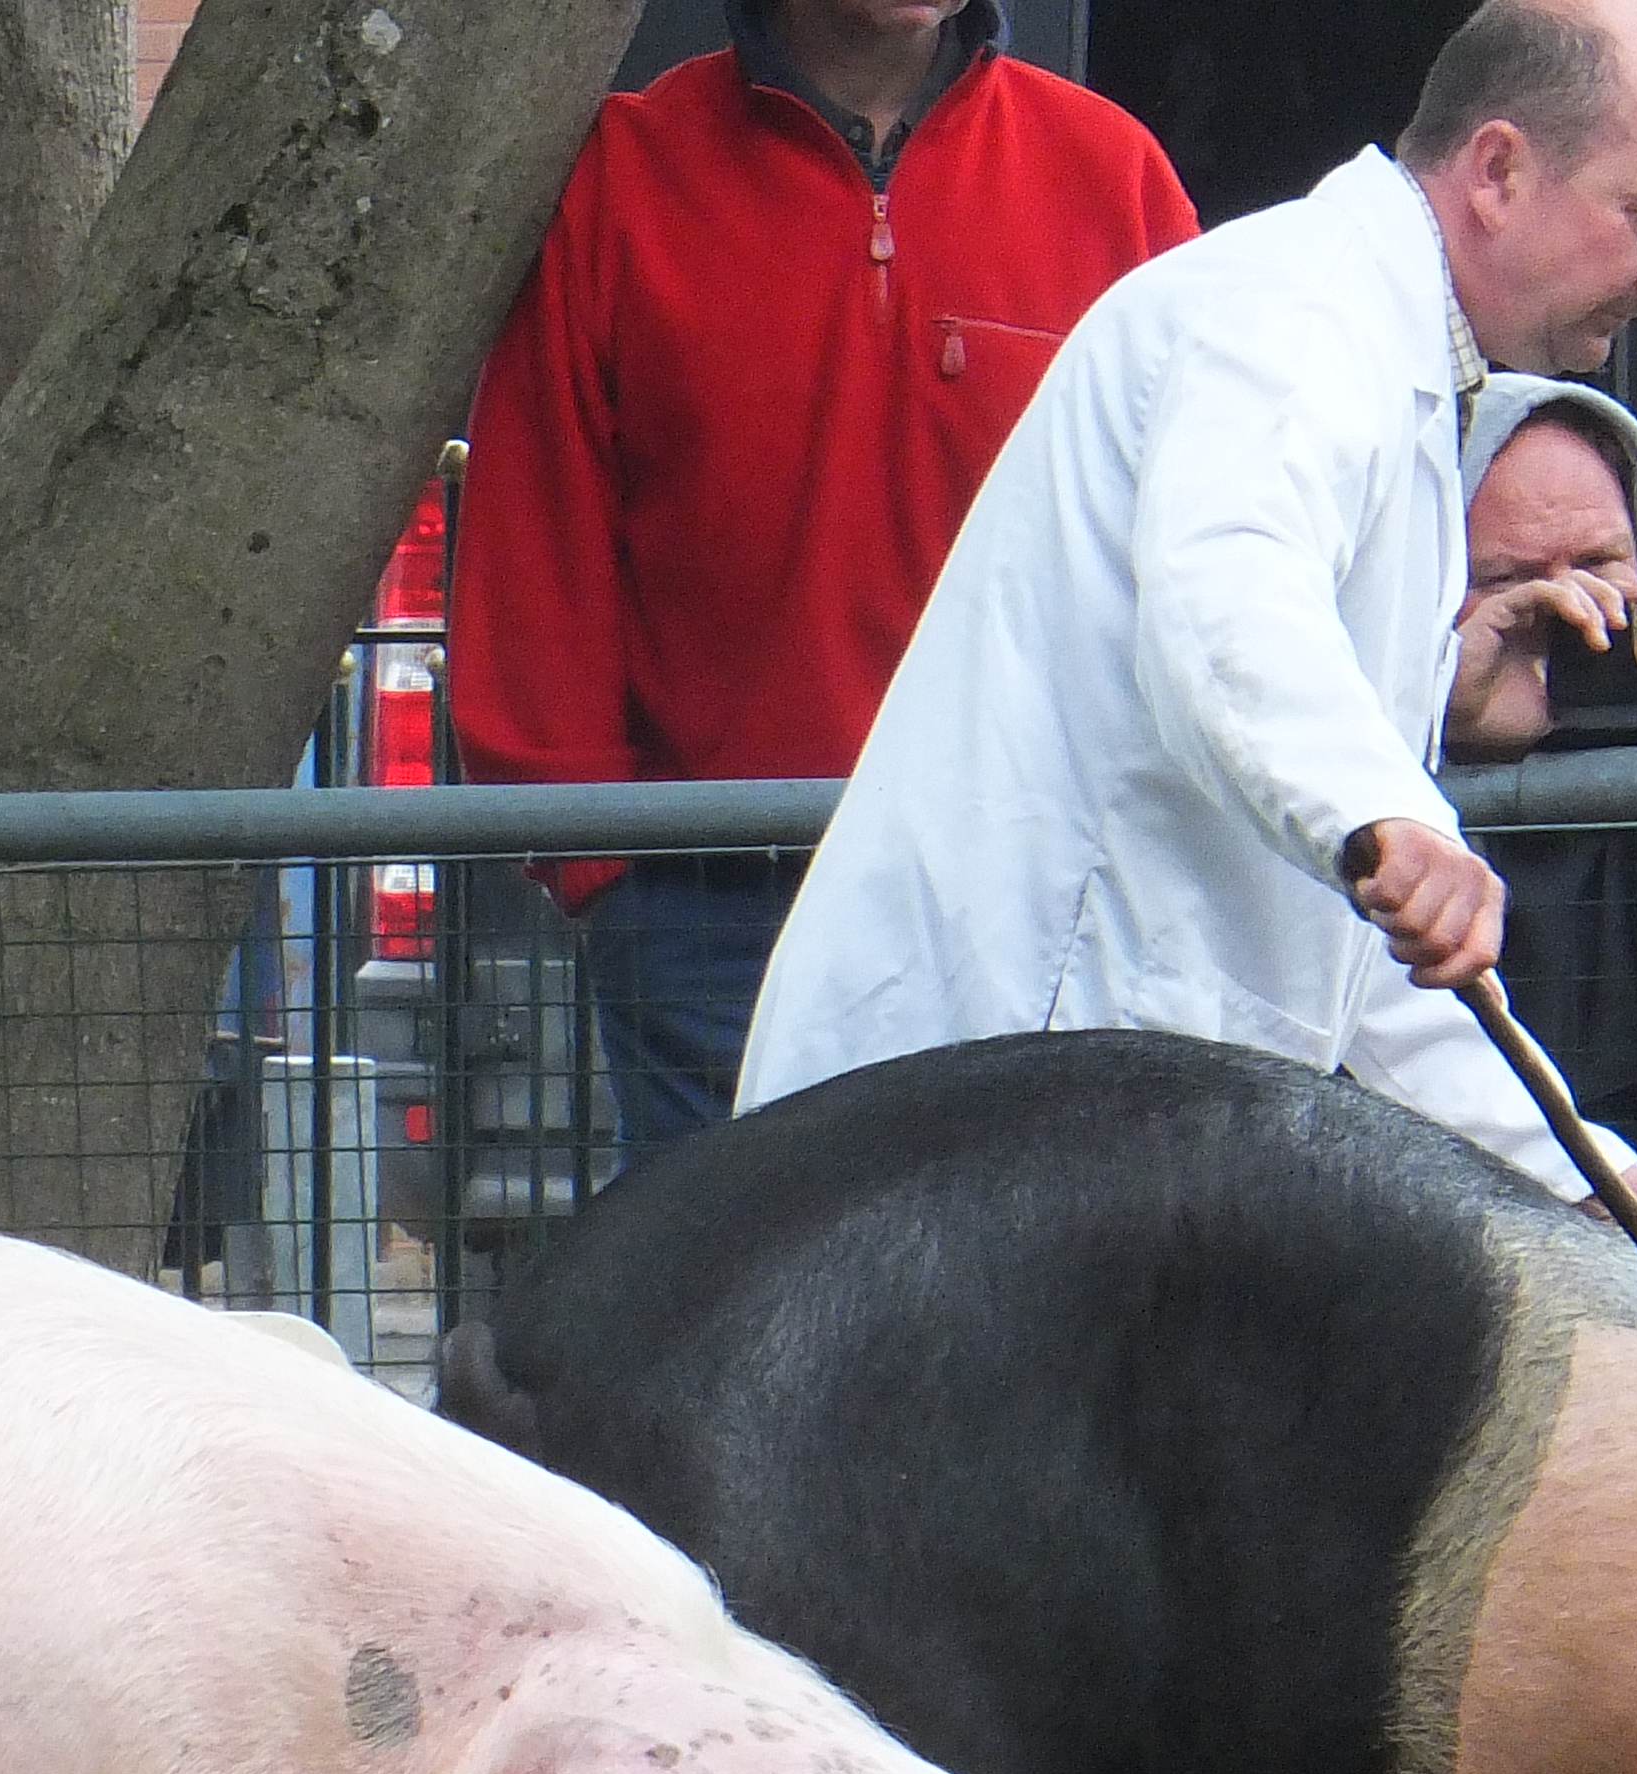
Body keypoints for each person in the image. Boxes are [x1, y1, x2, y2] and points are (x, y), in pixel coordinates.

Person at [739, 0, 1637, 1287]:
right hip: (961, 1142)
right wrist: (1392, 816)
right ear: (1497, 170)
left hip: (1026, 1132)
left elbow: (1362, 951)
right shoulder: (1297, 312)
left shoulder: (1382, 354)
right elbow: (1226, 596)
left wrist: (1576, 1176)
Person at [450, 0, 1191, 1152]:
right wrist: (601, 865)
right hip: (713, 904)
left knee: (1000, 1312)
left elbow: (1191, 534)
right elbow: (540, 529)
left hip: (1025, 890)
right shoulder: (621, 176)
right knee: (733, 1317)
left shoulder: (1112, 175)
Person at [1435, 376, 1637, 1187]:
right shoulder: (1353, 743)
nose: (1570, 601)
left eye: (1602, 561)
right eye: (1506, 577)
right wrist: (1435, 712)